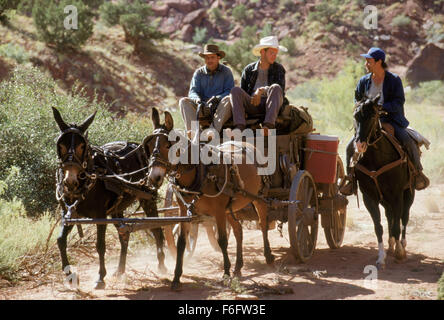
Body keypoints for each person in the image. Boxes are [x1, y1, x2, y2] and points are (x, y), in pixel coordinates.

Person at [340, 47, 429, 195]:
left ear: (379, 62)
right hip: (368, 122)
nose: (366, 64)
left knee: (407, 140)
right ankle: (351, 178)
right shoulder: (363, 81)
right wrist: (363, 109)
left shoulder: (394, 80)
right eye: (366, 61)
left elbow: (399, 101)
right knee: (350, 146)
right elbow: (357, 99)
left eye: (369, 61)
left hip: (392, 119)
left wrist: (381, 107)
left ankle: (418, 173)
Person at [230, 36, 289, 132]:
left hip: (271, 105)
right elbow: (243, 91)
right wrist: (252, 97)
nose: (274, 56)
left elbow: (280, 92)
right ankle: (239, 126)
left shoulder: (279, 69)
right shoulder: (249, 69)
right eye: (271, 53)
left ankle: (268, 126)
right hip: (253, 104)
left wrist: (261, 90)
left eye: (276, 53)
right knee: (235, 91)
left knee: (276, 87)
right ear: (262, 52)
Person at [179, 44, 234, 135]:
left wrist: (217, 98)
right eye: (207, 58)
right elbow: (193, 91)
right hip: (202, 107)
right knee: (183, 101)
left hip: (219, 107)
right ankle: (194, 133)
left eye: (212, 57)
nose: (209, 60)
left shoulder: (226, 72)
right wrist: (197, 99)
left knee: (228, 99)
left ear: (218, 58)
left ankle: (212, 131)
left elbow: (229, 91)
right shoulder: (199, 73)